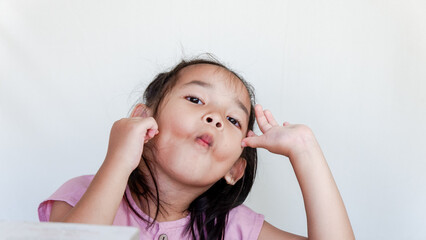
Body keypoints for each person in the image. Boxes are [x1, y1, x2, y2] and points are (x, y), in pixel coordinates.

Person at [38, 57, 355, 240]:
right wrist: (119, 159)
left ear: (235, 169)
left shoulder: (234, 228)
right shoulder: (81, 196)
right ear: (143, 122)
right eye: (195, 100)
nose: (215, 118)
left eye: (232, 119)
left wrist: (305, 151)